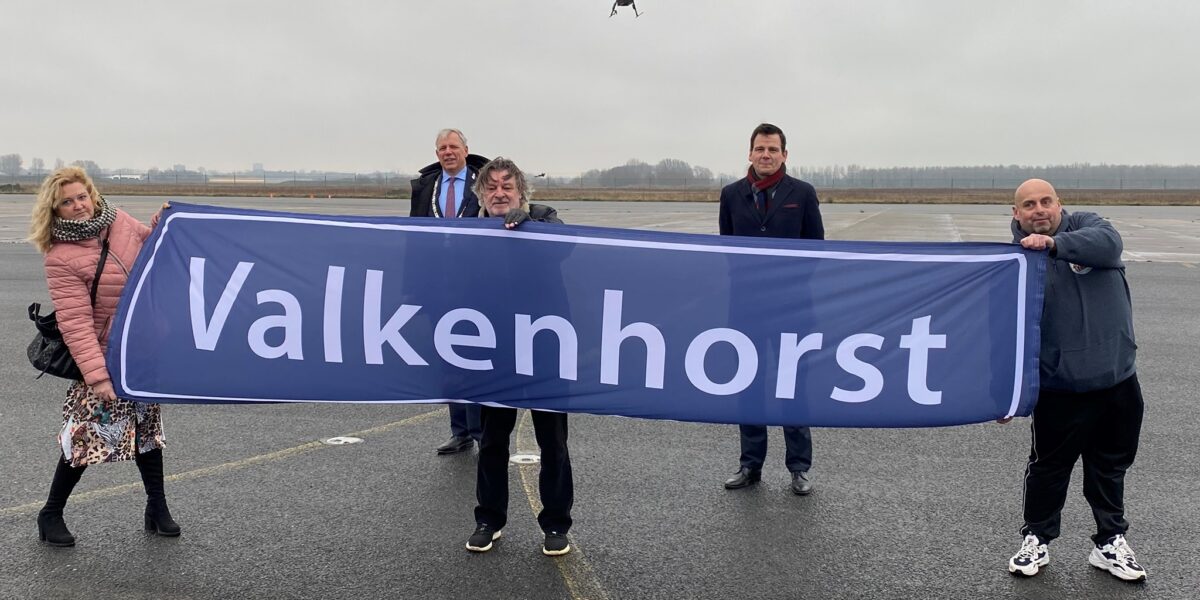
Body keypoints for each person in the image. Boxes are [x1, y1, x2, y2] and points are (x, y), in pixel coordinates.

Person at [1004, 178, 1147, 582]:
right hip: (1059, 387)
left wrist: (1052, 245)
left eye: (1045, 201)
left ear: (1059, 204)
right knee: (1049, 469)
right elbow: (1005, 329)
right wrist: (1004, 392)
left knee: (1109, 467)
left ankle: (1110, 541)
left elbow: (1109, 245)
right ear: (1016, 213)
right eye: (1028, 204)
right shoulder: (1013, 261)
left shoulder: (1089, 227)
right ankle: (1037, 537)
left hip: (1116, 380)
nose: (1039, 210)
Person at [28, 167, 180, 547]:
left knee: (147, 431)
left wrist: (163, 223)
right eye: (67, 201)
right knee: (84, 436)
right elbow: (75, 323)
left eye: (82, 196)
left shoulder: (119, 221)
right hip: (102, 358)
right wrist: (97, 376)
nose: (78, 205)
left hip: (139, 350)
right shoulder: (60, 257)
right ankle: (51, 513)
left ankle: (156, 507)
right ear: (55, 209)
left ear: (92, 194)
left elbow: (152, 248)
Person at [463, 157, 574, 556]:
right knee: (492, 440)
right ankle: (489, 520)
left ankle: (556, 523)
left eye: (507, 187)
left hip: (544, 346)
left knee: (553, 441)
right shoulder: (468, 229)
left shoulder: (543, 218)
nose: (499, 193)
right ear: (481, 193)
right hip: (494, 349)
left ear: (521, 192)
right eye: (491, 187)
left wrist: (528, 224)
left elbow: (565, 243)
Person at [717, 123, 824, 496]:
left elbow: (816, 249)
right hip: (747, 310)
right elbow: (727, 249)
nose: (766, 155)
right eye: (760, 149)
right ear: (750, 153)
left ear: (784, 154)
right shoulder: (731, 195)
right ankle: (751, 465)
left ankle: (799, 467)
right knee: (749, 387)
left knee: (792, 388)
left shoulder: (802, 193)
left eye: (773, 149)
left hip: (792, 310)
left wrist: (781, 284)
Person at [409, 128, 490, 455]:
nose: (448, 152)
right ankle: (461, 431)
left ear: (466, 150)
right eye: (442, 147)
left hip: (475, 285)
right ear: (437, 153)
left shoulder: (483, 182)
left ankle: (482, 431)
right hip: (438, 285)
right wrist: (412, 287)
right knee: (448, 358)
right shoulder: (426, 187)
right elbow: (413, 238)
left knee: (474, 356)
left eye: (453, 146)